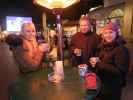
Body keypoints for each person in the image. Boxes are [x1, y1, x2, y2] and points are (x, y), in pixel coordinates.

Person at [89, 21, 130, 100]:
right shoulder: (101, 46)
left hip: (112, 88)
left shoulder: (121, 49)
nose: (108, 35)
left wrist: (99, 64)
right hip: (101, 85)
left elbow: (120, 73)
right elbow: (100, 63)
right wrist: (94, 63)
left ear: (116, 33)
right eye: (105, 33)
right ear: (103, 34)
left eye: (111, 32)